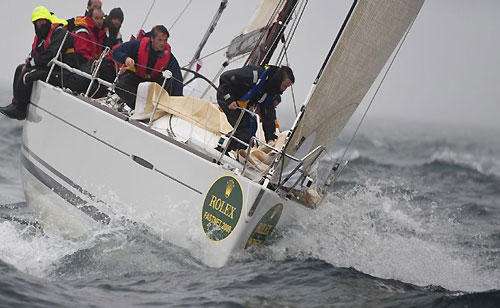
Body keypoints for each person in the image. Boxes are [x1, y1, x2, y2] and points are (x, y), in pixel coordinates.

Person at [0, 6, 69, 120]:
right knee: (19, 69)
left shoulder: (58, 32)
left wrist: (31, 63)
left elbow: (51, 53)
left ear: (47, 20)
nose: (40, 24)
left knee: (27, 74)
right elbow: (37, 51)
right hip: (44, 65)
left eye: (42, 21)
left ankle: (21, 109)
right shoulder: (42, 36)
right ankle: (15, 103)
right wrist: (30, 59)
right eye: (37, 22)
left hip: (56, 68)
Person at [217, 65, 294, 151]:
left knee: (250, 132)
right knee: (245, 130)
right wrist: (229, 99)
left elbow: (268, 113)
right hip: (226, 97)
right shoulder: (255, 74)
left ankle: (225, 147)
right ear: (278, 80)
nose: (284, 90)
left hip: (241, 104)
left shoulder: (270, 91)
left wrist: (270, 138)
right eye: (284, 86)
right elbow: (226, 77)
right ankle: (222, 150)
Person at [112, 25, 183, 109]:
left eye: (165, 40)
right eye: (160, 40)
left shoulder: (169, 58)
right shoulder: (137, 46)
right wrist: (126, 58)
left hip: (152, 84)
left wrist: (178, 102)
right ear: (152, 38)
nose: (163, 43)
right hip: (135, 78)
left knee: (168, 81)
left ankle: (154, 109)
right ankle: (138, 108)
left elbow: (177, 78)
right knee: (120, 86)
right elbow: (117, 51)